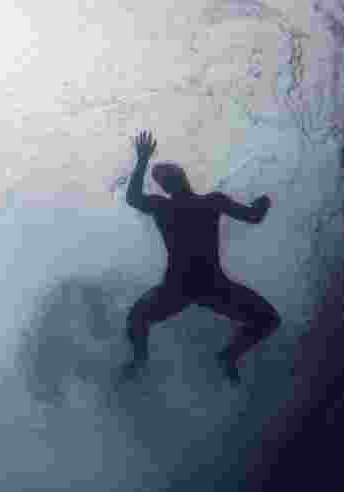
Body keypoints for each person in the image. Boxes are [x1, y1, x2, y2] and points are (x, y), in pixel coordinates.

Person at [118, 130, 280, 385]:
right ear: (181, 178)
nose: (168, 182)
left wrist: (142, 160)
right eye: (166, 179)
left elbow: (134, 198)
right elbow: (254, 216)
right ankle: (225, 356)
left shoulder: (170, 207)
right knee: (268, 319)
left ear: (174, 181)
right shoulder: (207, 203)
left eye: (165, 178)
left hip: (187, 287)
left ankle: (224, 356)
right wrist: (263, 204)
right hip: (203, 286)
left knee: (136, 317)